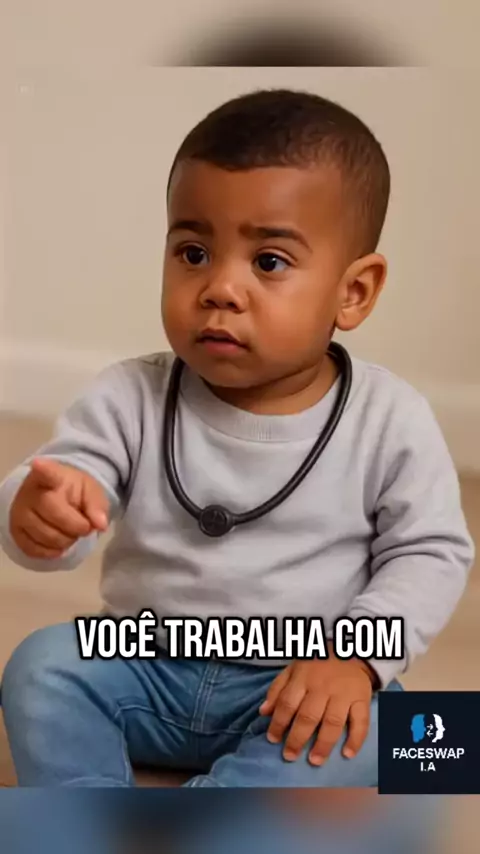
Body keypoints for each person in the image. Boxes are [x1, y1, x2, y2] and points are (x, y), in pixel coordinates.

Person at [0, 89, 474, 788]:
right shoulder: (129, 395)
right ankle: (91, 814)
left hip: (298, 682)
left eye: (270, 262)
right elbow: (66, 480)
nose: (219, 288)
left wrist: (355, 659)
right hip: (143, 663)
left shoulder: (390, 418)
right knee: (40, 668)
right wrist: (38, 512)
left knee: (414, 738)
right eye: (193, 252)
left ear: (354, 292)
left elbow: (430, 553)